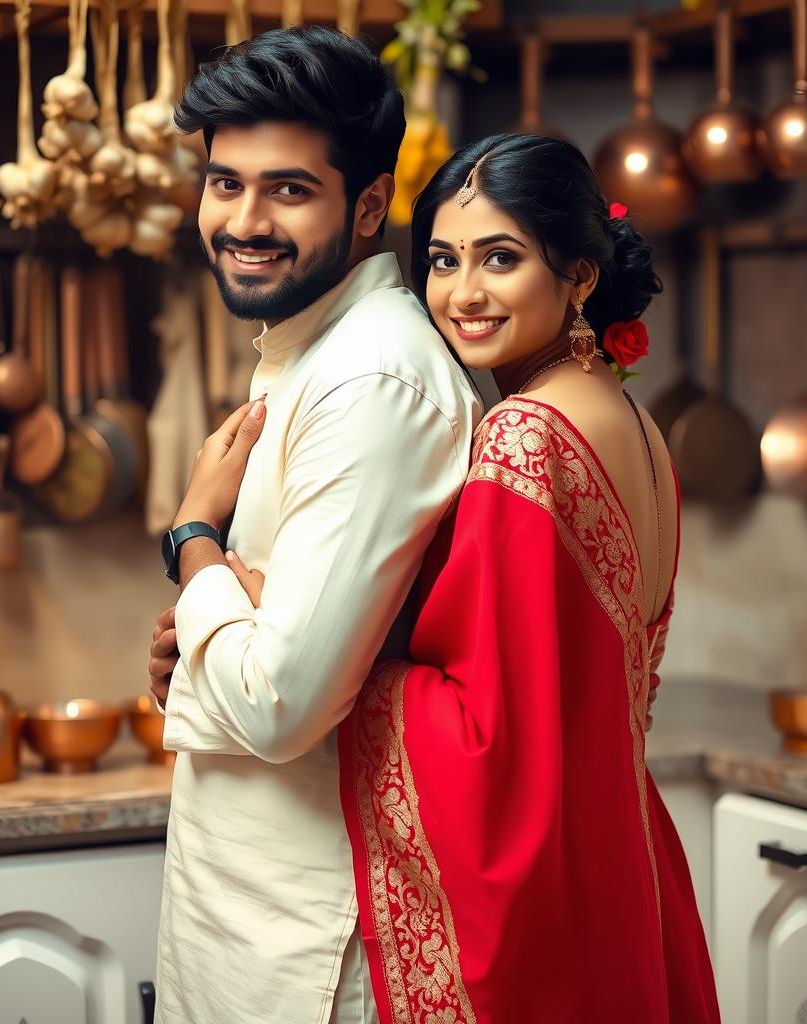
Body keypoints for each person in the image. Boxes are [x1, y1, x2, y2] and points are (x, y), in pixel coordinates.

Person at [217, 133, 721, 1022]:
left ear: (578, 276)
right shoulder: (632, 424)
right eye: (443, 260)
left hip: (548, 881)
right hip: (622, 849)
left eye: (501, 258)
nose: (462, 292)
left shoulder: (525, 438)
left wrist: (279, 628)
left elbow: (482, 729)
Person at [146, 25, 480, 1024]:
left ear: (368, 204)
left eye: (288, 189)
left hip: (309, 953)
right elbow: (270, 663)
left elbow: (284, 706)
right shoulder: (307, 354)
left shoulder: (370, 378)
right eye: (224, 183)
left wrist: (193, 540)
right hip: (251, 923)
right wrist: (210, 636)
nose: (244, 220)